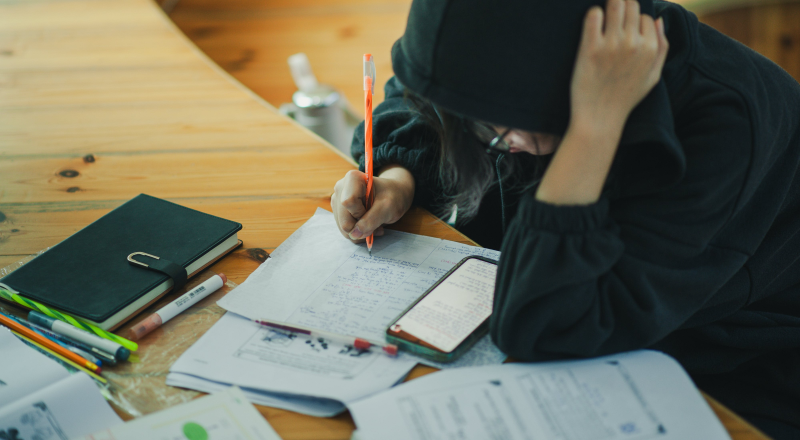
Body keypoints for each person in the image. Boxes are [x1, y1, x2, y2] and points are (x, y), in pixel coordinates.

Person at [330, 0, 800, 436]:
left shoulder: (723, 126)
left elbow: (545, 327)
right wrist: (400, 175)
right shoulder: (495, 43)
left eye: (508, 124)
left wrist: (593, 130)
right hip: (538, 309)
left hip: (722, 365)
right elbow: (426, 100)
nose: (501, 140)